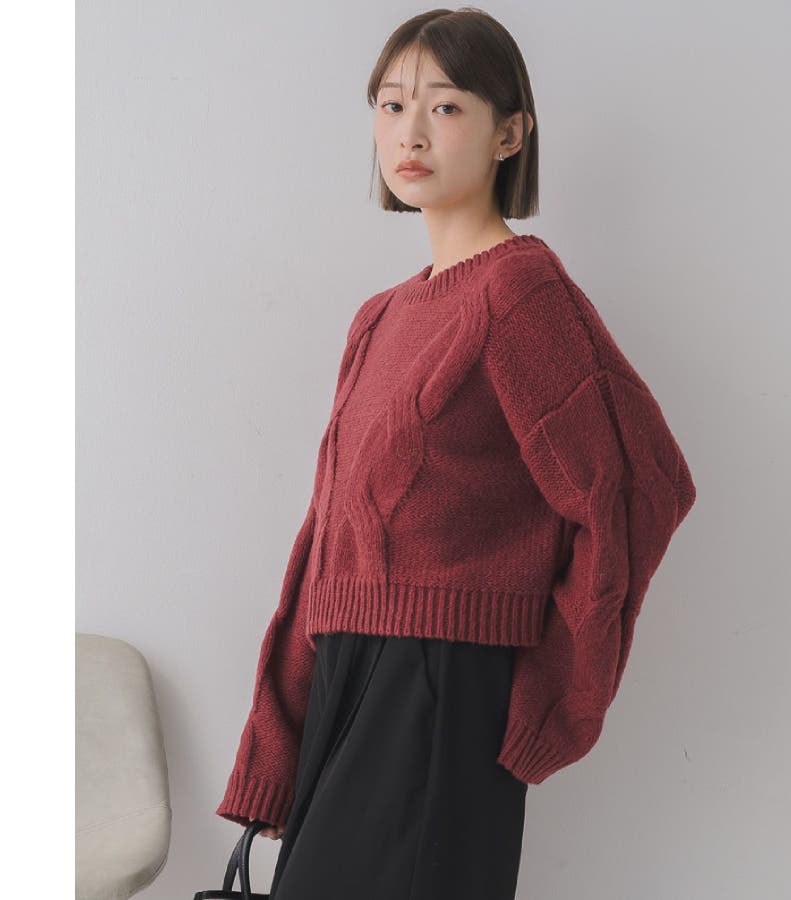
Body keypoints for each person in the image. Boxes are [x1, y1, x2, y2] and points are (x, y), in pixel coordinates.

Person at [215, 8, 697, 900]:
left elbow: (641, 488)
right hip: (348, 684)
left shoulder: (521, 293)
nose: (411, 133)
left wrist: (557, 693)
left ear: (509, 134)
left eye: (444, 107)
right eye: (392, 105)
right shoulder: (381, 318)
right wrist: (276, 748)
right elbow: (326, 549)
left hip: (443, 691)